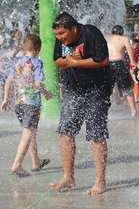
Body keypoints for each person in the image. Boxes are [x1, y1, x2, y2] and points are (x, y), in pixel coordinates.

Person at [50, 12, 111, 194]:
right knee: (65, 131)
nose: (59, 38)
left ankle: (100, 181)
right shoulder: (62, 41)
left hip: (98, 90)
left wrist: (76, 63)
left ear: (74, 28)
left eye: (62, 34)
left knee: (96, 135)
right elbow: (57, 61)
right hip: (74, 90)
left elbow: (104, 60)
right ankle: (68, 177)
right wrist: (69, 62)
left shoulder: (91, 33)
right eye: (57, 35)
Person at [1, 34, 55, 177]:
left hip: (19, 103)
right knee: (28, 134)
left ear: (24, 48)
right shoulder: (37, 62)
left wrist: (5, 98)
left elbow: (8, 80)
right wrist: (46, 93)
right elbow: (38, 83)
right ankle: (17, 165)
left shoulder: (17, 61)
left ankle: (36, 162)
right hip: (31, 104)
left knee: (31, 132)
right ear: (39, 48)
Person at [105, 25, 139, 117]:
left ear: (111, 33)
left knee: (107, 91)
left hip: (107, 65)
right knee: (127, 89)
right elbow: (129, 48)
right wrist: (132, 61)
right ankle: (134, 112)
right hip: (119, 64)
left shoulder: (106, 38)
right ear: (122, 33)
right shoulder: (124, 39)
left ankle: (104, 115)